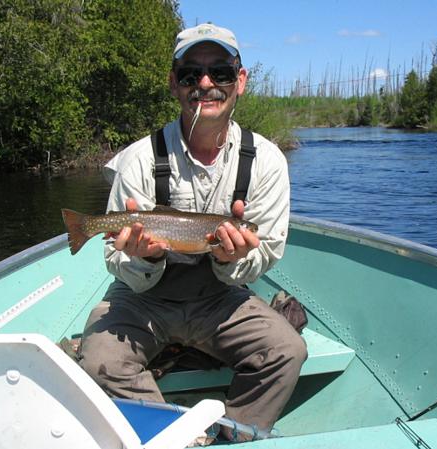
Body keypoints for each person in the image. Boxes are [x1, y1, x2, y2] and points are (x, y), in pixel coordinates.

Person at [77, 23, 307, 442]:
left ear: (239, 81)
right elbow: (116, 261)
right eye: (190, 74)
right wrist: (143, 257)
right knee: (97, 362)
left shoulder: (267, 162)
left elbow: (266, 251)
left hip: (220, 298)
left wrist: (231, 258)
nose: (205, 84)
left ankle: (234, 432)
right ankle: (173, 435)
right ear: (174, 84)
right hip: (143, 299)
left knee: (288, 350)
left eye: (220, 72)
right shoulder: (138, 159)